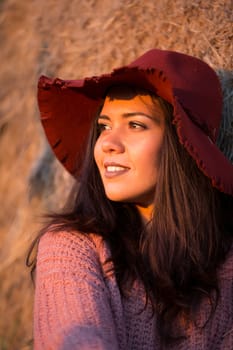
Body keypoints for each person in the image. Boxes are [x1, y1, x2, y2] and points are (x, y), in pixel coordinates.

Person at [28, 49, 233, 349]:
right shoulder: (72, 247)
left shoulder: (227, 267)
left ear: (183, 146)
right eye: (104, 126)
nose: (107, 143)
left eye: (135, 124)